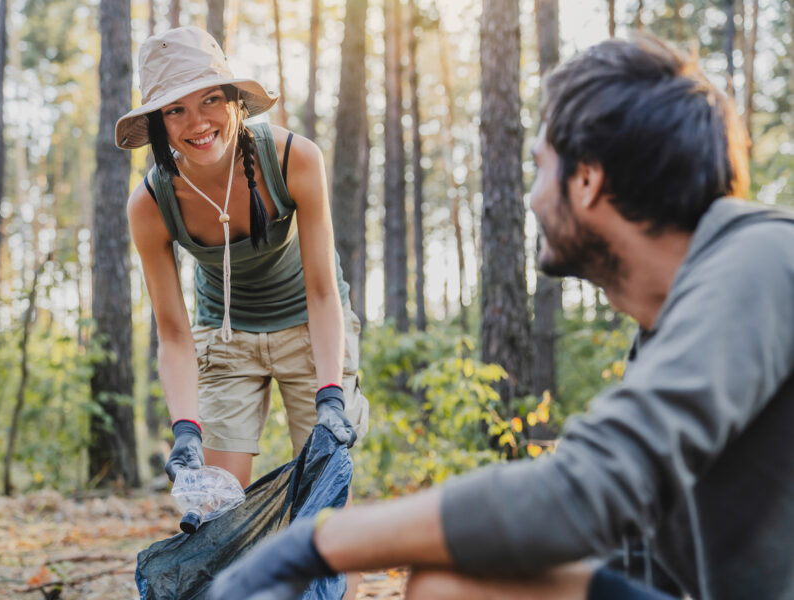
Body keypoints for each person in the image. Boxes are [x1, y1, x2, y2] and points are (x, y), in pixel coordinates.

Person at [208, 34, 794, 600]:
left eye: (541, 168)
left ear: (587, 179)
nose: (534, 197)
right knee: (455, 585)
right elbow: (638, 561)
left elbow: (586, 493)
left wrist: (316, 542)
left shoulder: (761, 261)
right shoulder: (671, 324)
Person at [116, 27, 369, 497]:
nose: (197, 123)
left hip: (311, 328)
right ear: (158, 124)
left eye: (210, 99)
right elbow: (173, 332)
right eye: (175, 109)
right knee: (216, 501)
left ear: (235, 100)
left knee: (324, 498)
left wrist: (331, 395)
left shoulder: (294, 158)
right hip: (225, 337)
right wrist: (186, 428)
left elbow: (322, 290)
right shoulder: (150, 203)